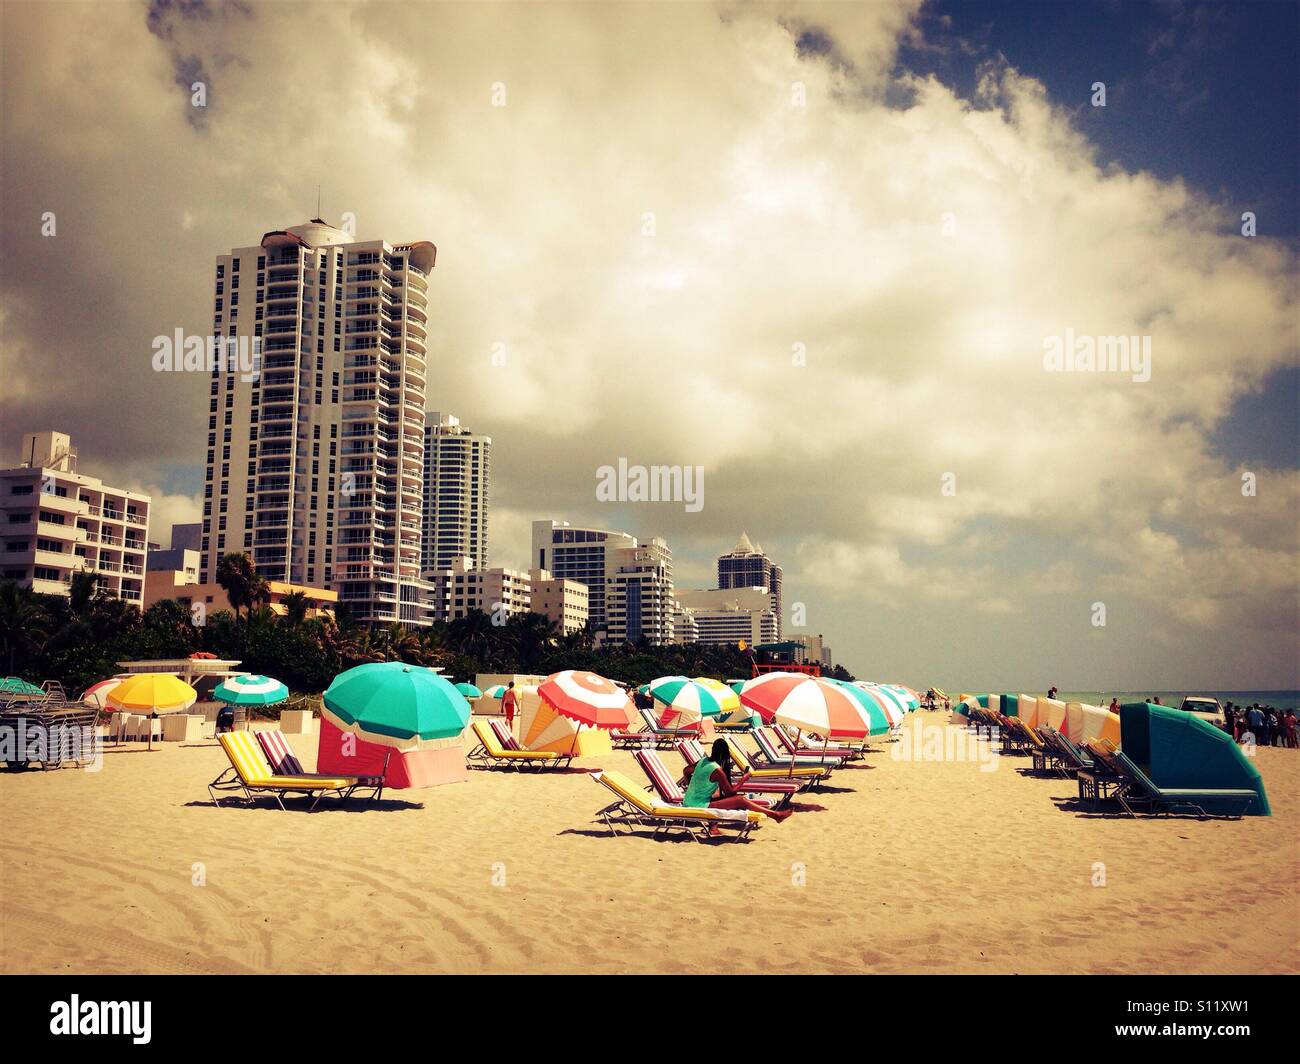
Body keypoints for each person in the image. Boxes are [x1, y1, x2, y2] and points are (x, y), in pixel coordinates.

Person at [680, 738, 791, 833]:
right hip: (698, 805)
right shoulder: (717, 770)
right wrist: (744, 778)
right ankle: (775, 815)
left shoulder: (702, 761)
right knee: (740, 800)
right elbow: (730, 793)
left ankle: (713, 828)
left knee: (720, 796)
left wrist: (692, 786)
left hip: (688, 800)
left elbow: (686, 771)